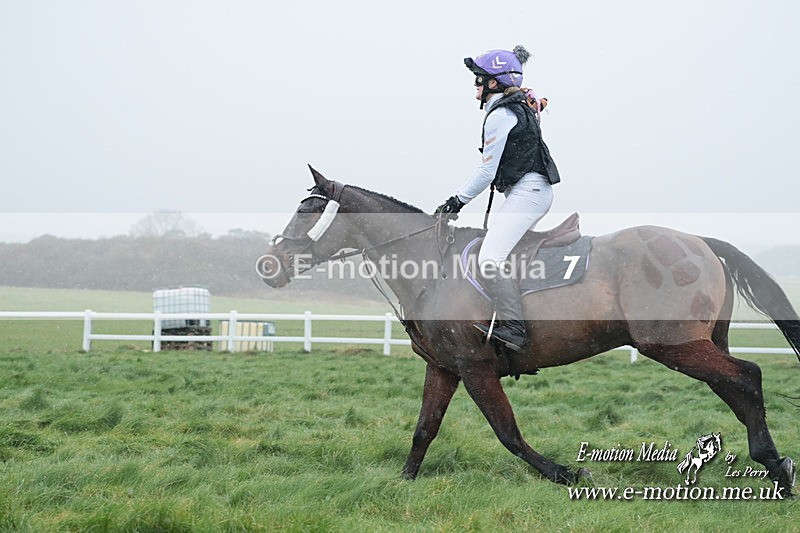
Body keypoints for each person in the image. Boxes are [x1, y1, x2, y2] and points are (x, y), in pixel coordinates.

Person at [434, 45, 560, 352]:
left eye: (479, 78)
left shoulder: (501, 114)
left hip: (528, 194)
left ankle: (514, 328)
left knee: (489, 260)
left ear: (494, 83)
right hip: (529, 191)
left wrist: (456, 201)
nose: (475, 85)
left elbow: (487, 171)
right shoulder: (518, 105)